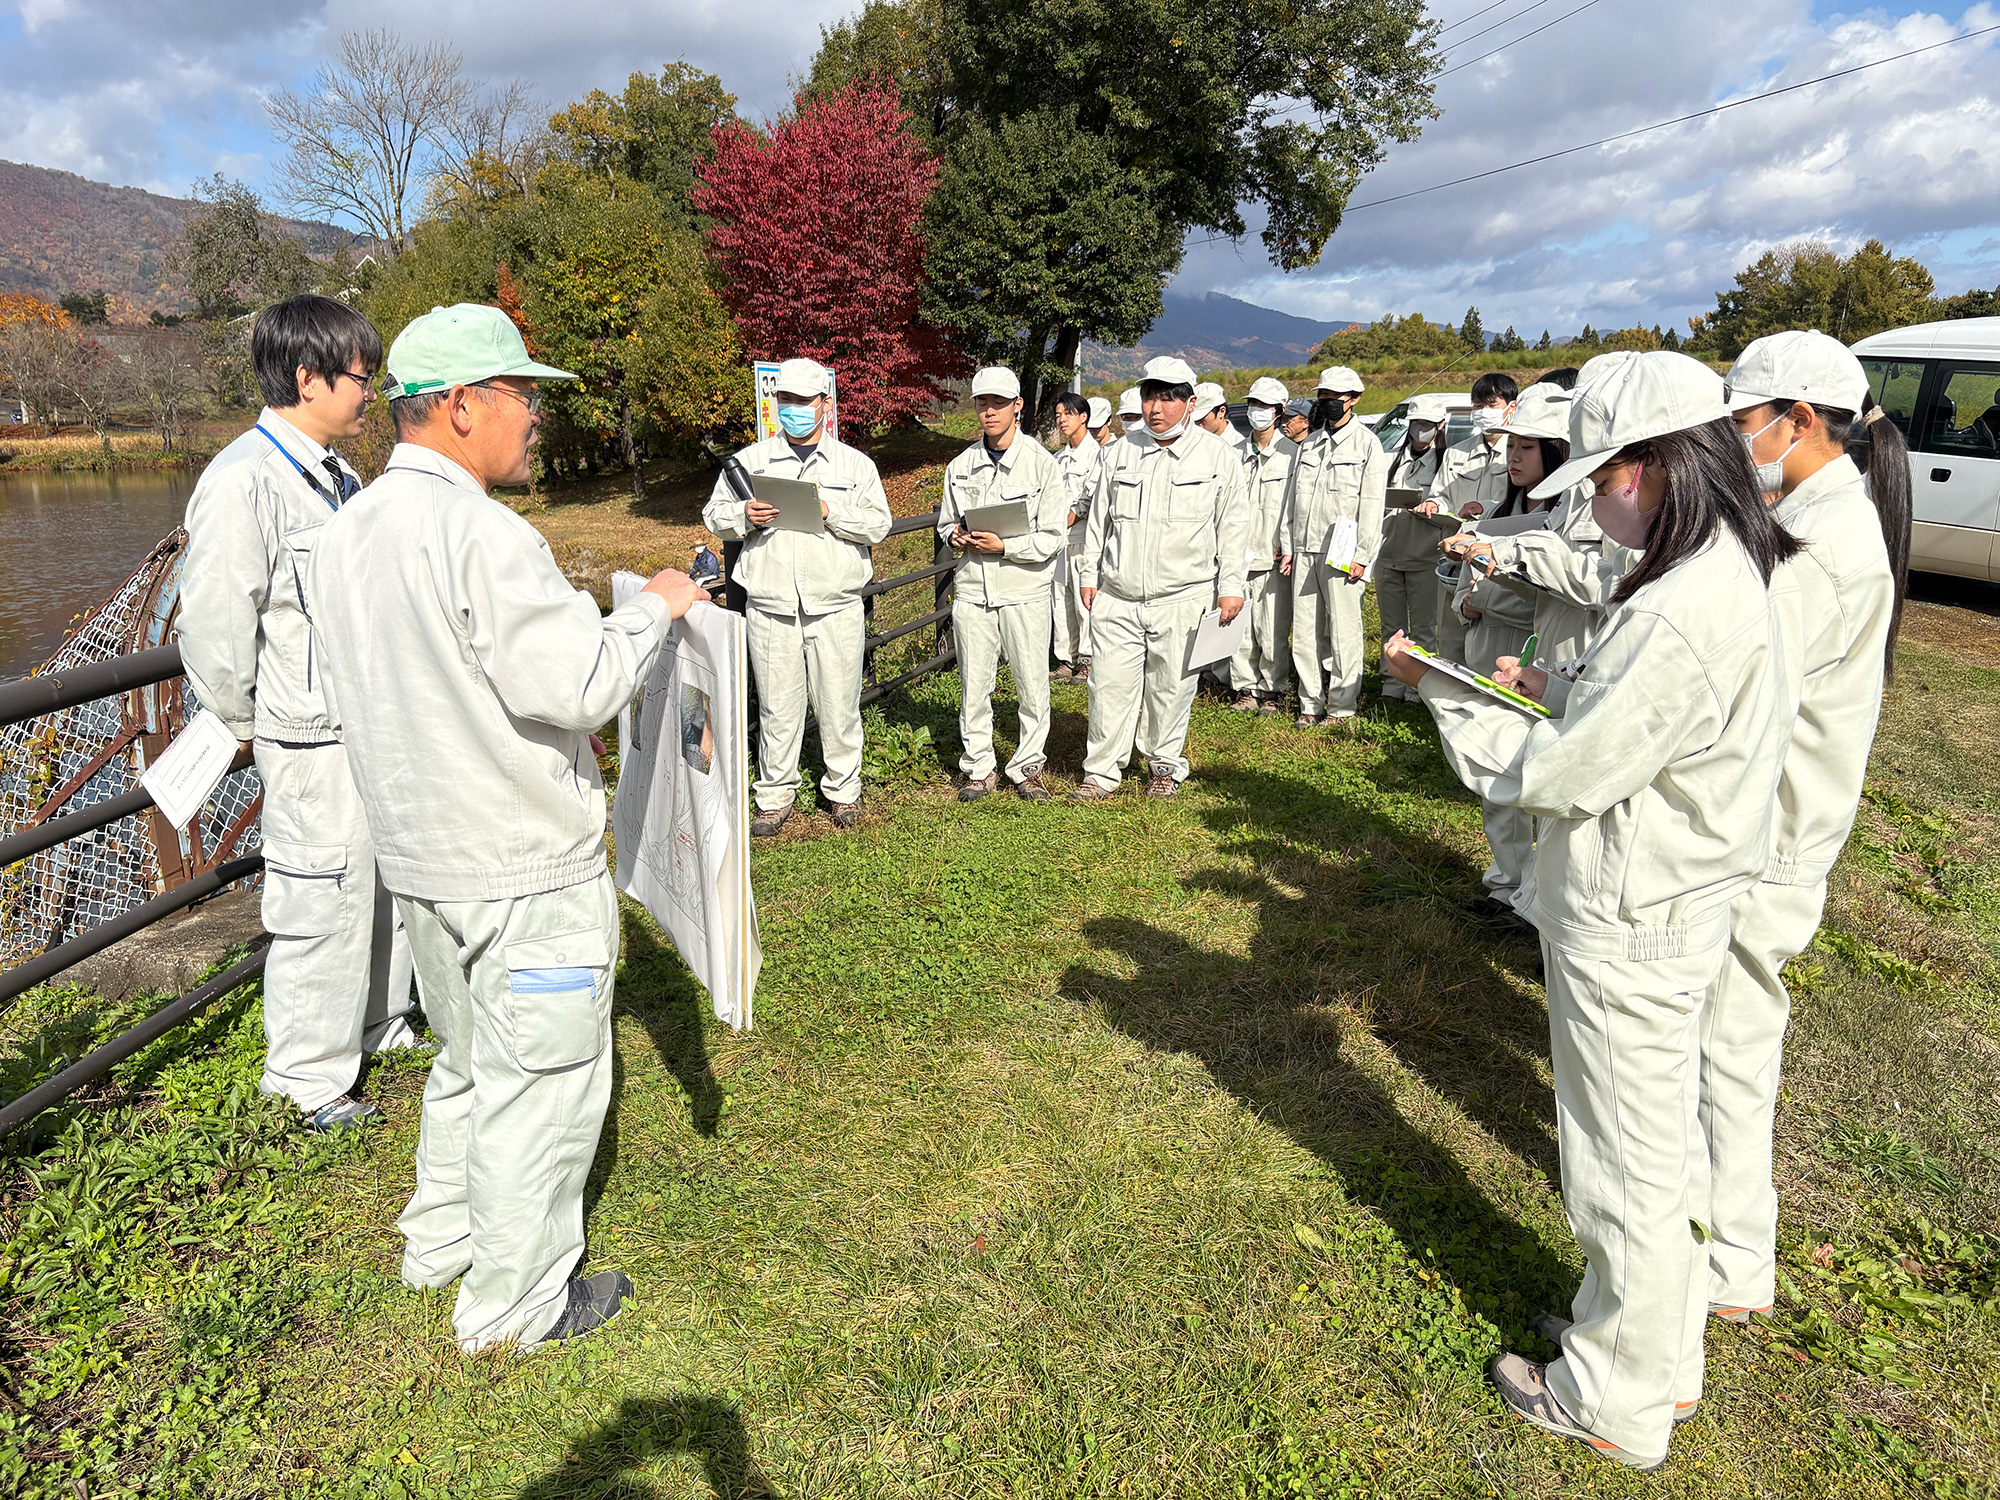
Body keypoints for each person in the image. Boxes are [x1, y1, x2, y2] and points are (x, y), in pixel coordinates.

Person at [1384, 350, 1803, 1471]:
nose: (1594, 506)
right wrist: (1549, 689)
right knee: (1651, 1150)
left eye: (1599, 479)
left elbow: (1561, 774)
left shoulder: (1675, 606)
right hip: (1667, 889)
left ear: (1657, 468)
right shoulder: (1714, 571)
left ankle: (1609, 1395)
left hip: (1629, 907)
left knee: (1621, 1161)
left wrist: (1440, 689)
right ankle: (1650, 1360)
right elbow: (1624, 723)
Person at [307, 303, 711, 1352]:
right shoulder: (483, 532)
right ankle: (517, 1304)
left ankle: (439, 1241)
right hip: (522, 861)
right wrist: (655, 609)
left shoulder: (349, 530)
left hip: (424, 855)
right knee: (544, 1086)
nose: (536, 418)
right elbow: (576, 688)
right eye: (523, 396)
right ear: (458, 405)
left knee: (469, 1061)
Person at [1703, 330, 1908, 1329]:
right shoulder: (1807, 516)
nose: (1730, 441)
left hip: (1762, 839)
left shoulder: (1821, 547)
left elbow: (1735, 692)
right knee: (1722, 1046)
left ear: (1800, 420)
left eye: (1739, 421)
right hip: (1760, 828)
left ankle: (1727, 1262)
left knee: (1725, 1056)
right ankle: (1721, 1248)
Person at [178, 294, 418, 1133]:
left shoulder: (338, 475)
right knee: (319, 898)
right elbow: (213, 617)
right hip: (307, 732)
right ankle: (308, 1080)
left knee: (381, 880)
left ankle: (379, 1023)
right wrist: (239, 721)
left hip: (364, 722)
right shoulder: (242, 478)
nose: (369, 391)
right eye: (360, 375)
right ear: (307, 377)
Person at [704, 358, 892, 837]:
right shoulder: (751, 462)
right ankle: (774, 794)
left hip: (836, 605)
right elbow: (714, 517)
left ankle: (843, 790)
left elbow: (878, 525)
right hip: (771, 605)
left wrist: (830, 509)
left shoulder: (855, 465)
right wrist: (746, 514)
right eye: (785, 400)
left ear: (824, 404)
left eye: (803, 401)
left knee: (839, 704)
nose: (793, 409)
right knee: (777, 707)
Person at [1074, 355, 1250, 800]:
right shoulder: (1120, 451)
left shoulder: (1218, 457)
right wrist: (1088, 573)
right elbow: (1099, 521)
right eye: (1151, 396)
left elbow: (1232, 526)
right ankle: (1101, 771)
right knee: (1108, 686)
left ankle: (1163, 765)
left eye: (1169, 397)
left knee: (1172, 686)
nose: (1156, 407)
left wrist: (1231, 586)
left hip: (1183, 596)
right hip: (1118, 593)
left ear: (1191, 403)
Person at [1439, 384, 1575, 929]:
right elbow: (1470, 573)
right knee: (1497, 773)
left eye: (1527, 448)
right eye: (1512, 447)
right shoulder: (1506, 508)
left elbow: (1553, 601)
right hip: (1483, 644)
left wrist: (1495, 581)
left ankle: (1538, 898)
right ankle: (1507, 884)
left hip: (1528, 652)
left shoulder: (1566, 514)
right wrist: (1465, 597)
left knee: (1539, 773)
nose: (1514, 458)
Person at [938, 367, 1068, 800]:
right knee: (974, 685)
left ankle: (1028, 766)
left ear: (1018, 406)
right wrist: (955, 536)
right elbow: (944, 525)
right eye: (981, 403)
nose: (989, 411)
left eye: (998, 403)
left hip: (1023, 591)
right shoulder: (960, 466)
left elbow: (1054, 536)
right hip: (974, 589)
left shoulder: (1041, 465)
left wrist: (1006, 548)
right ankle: (979, 767)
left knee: (1032, 685)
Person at [1285, 365, 1387, 725]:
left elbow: (1373, 506)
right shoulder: (1309, 443)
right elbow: (1292, 500)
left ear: (1354, 400)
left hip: (1343, 552)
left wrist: (1363, 555)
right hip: (1304, 549)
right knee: (1305, 632)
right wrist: (1288, 545)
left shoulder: (1367, 445)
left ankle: (1342, 707)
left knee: (1344, 631)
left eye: (1334, 399)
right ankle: (1309, 703)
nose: (1327, 404)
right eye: (1322, 397)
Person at [1421, 373, 1517, 663]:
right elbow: (1442, 494)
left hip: (1498, 558)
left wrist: (1485, 507)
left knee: (1494, 640)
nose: (1482, 411)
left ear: (1511, 407)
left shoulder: (1519, 453)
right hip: (1455, 556)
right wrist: (1434, 505)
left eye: (1490, 403)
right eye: (1477, 405)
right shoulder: (1456, 452)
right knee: (1450, 634)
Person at [1374, 393, 1451, 697]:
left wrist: (1433, 507)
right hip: (1389, 554)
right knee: (1390, 626)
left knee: (1422, 628)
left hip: (1425, 557)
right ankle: (1392, 681)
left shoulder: (1447, 462)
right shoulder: (1391, 459)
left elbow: (1451, 505)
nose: (1420, 430)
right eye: (1416, 423)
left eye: (1427, 424)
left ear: (1440, 425)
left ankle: (1419, 685)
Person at [1229, 377, 1295, 715]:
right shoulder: (1234, 454)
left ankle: (1273, 689)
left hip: (1273, 556)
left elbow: (1295, 509)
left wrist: (1288, 547)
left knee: (1271, 627)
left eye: (1265, 406)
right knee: (1239, 627)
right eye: (1253, 404)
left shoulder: (1292, 456)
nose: (1257, 411)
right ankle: (1245, 688)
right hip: (1239, 554)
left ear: (1280, 412)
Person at [1050, 391, 1101, 684]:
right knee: (1060, 600)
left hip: (1082, 539)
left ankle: (1087, 659)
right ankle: (1065, 658)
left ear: (1083, 417)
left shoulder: (1097, 455)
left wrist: (1063, 522)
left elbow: (1085, 502)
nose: (1062, 420)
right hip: (1059, 540)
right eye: (1058, 415)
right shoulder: (1059, 458)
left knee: (1085, 603)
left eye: (1067, 414)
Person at [1194, 381, 1253, 461]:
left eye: (1202, 419)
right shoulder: (1191, 441)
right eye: (1194, 420)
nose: (1198, 425)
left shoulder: (1238, 448)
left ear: (1221, 412)